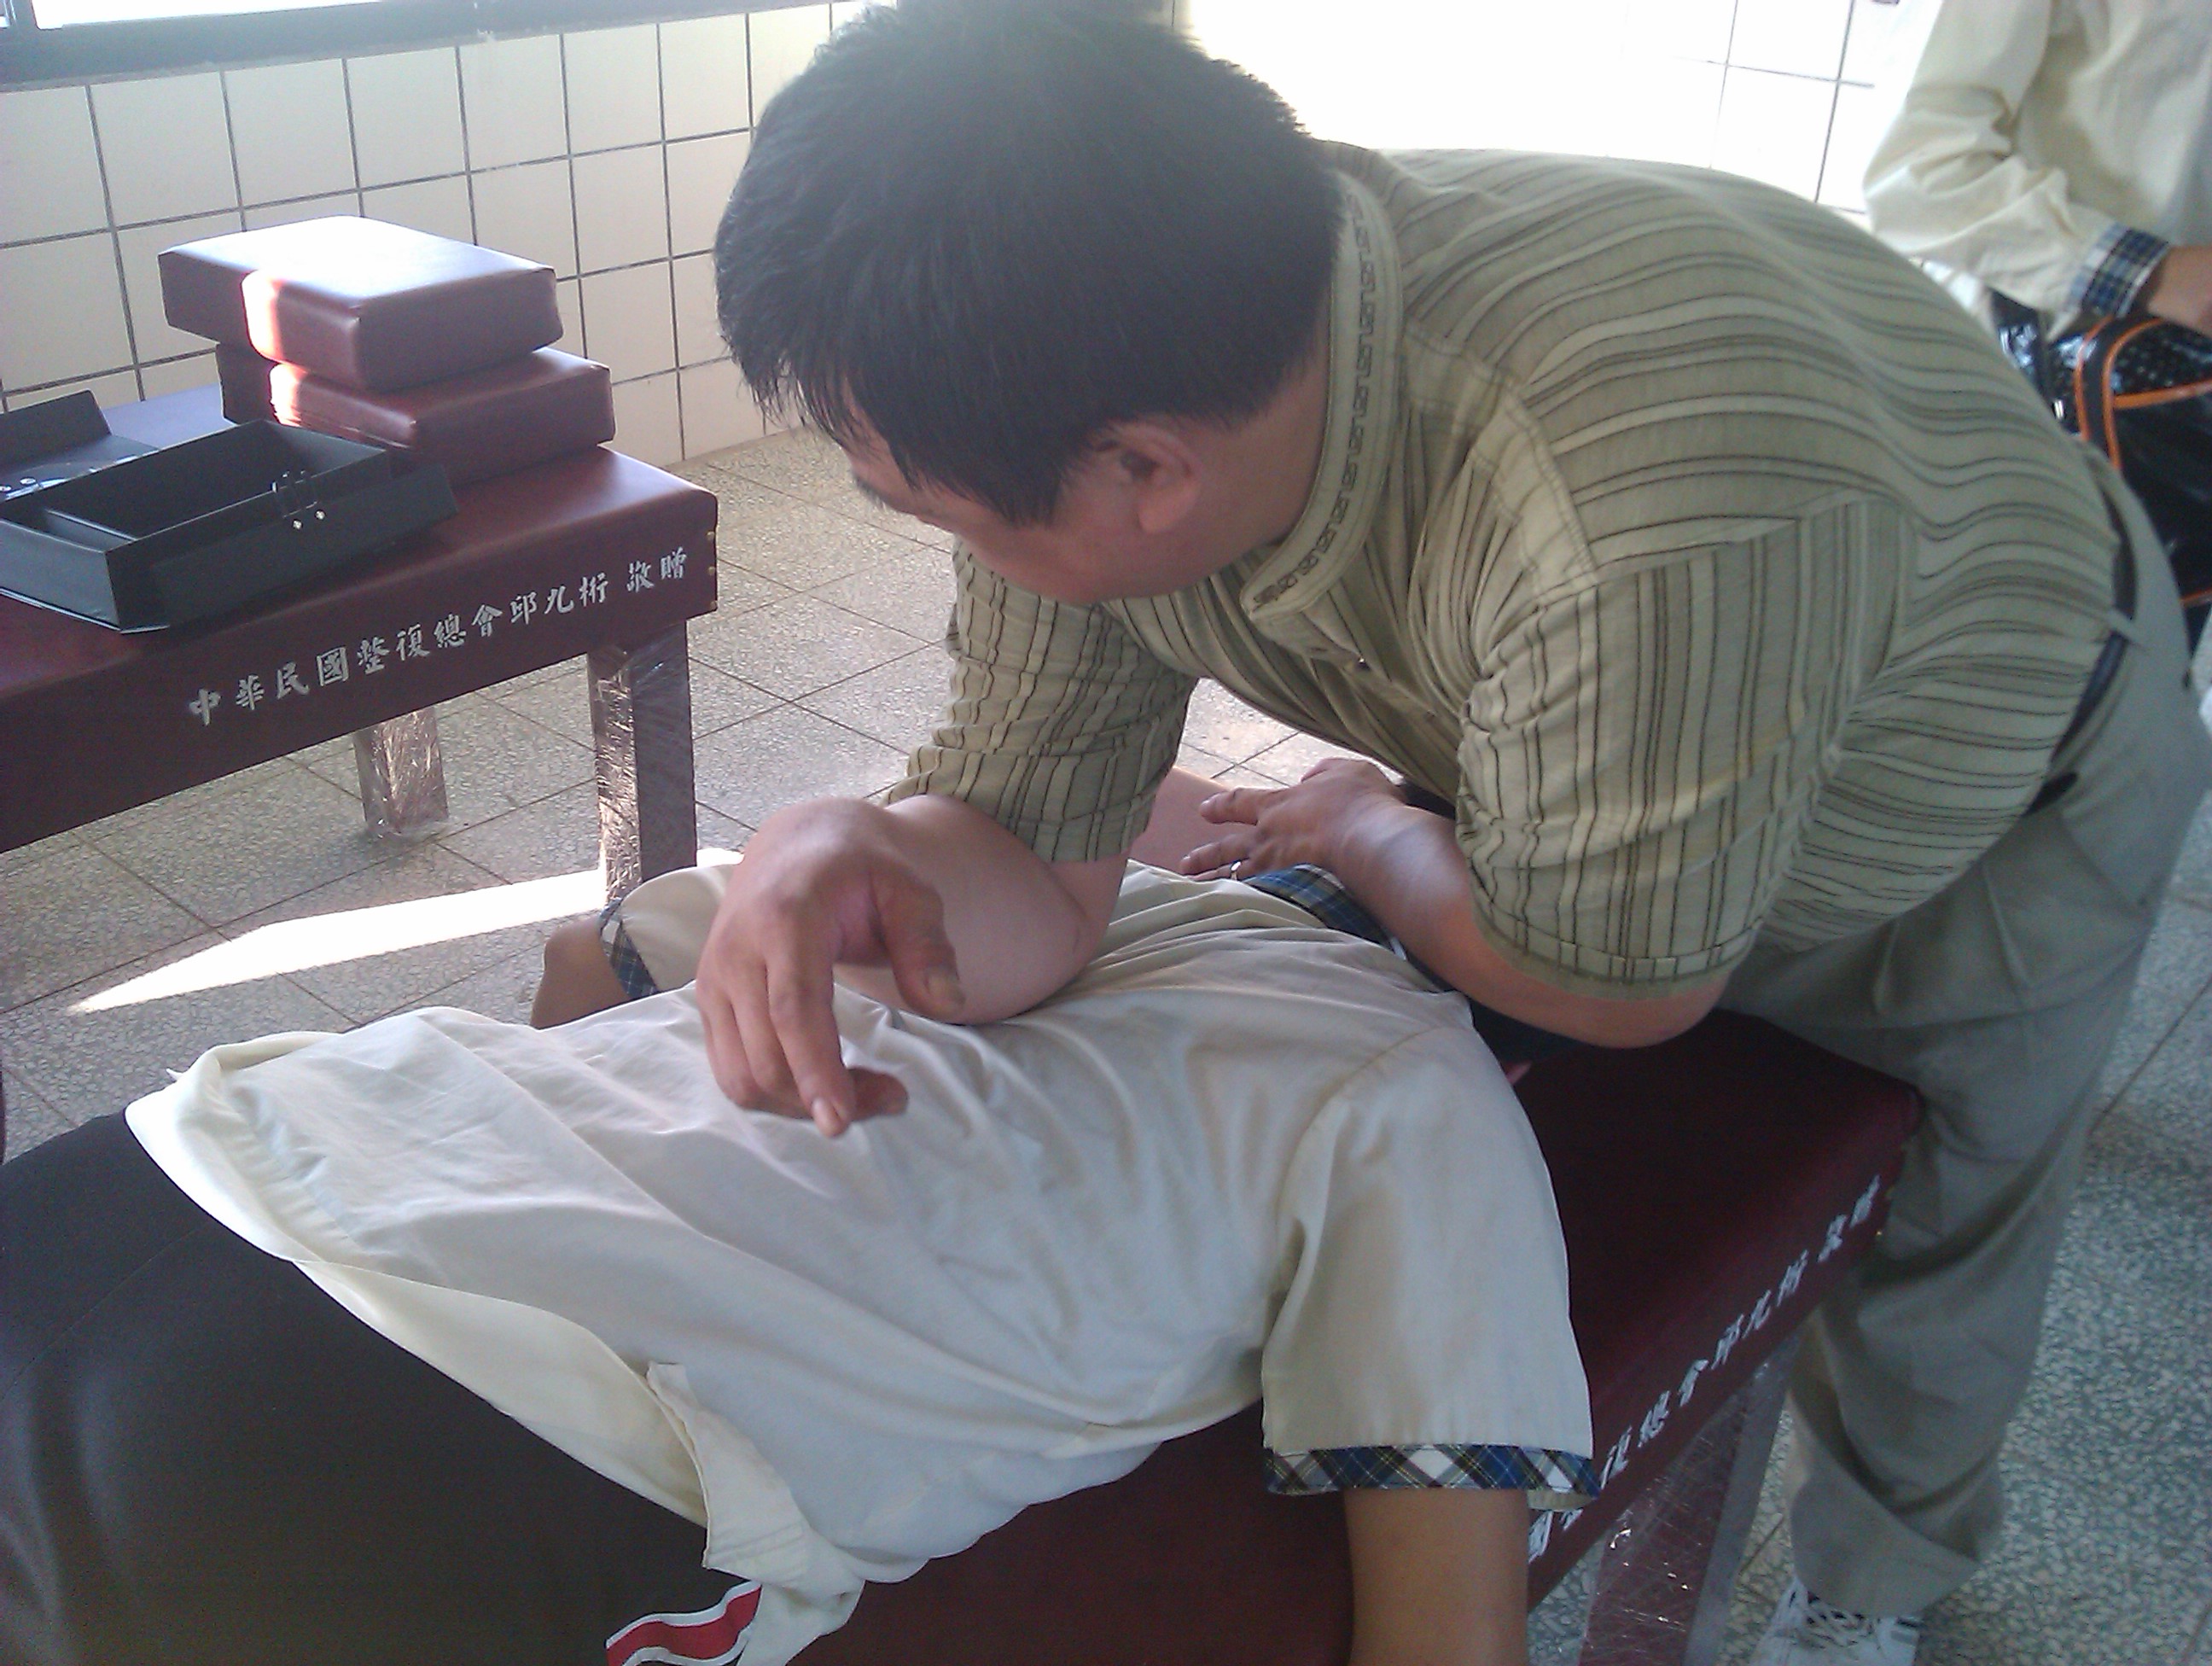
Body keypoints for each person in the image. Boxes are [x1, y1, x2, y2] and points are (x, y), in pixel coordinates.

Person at [594, 5, 2209, 1664]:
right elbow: (1034, 857)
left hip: (1985, 767)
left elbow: (1612, 986)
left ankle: (1874, 1580)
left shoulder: (1627, 521)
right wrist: (845, 843)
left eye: (928, 507)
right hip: (1632, 715)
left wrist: (1367, 826)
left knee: (1945, 1229)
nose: (938, 535)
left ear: (1145, 472)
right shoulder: (1124, 353)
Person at [0, 862, 1593, 1666]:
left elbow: (591, 955)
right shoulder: (1421, 1088)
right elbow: (1445, 1630)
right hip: (463, 1420)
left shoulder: (1043, 874)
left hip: (189, 1166)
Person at [1862, 0, 2212, 650]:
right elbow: (1916, 171)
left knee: (2146, 686)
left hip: (2179, 434)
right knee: (1997, 680)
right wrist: (2156, 273)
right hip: (2024, 415)